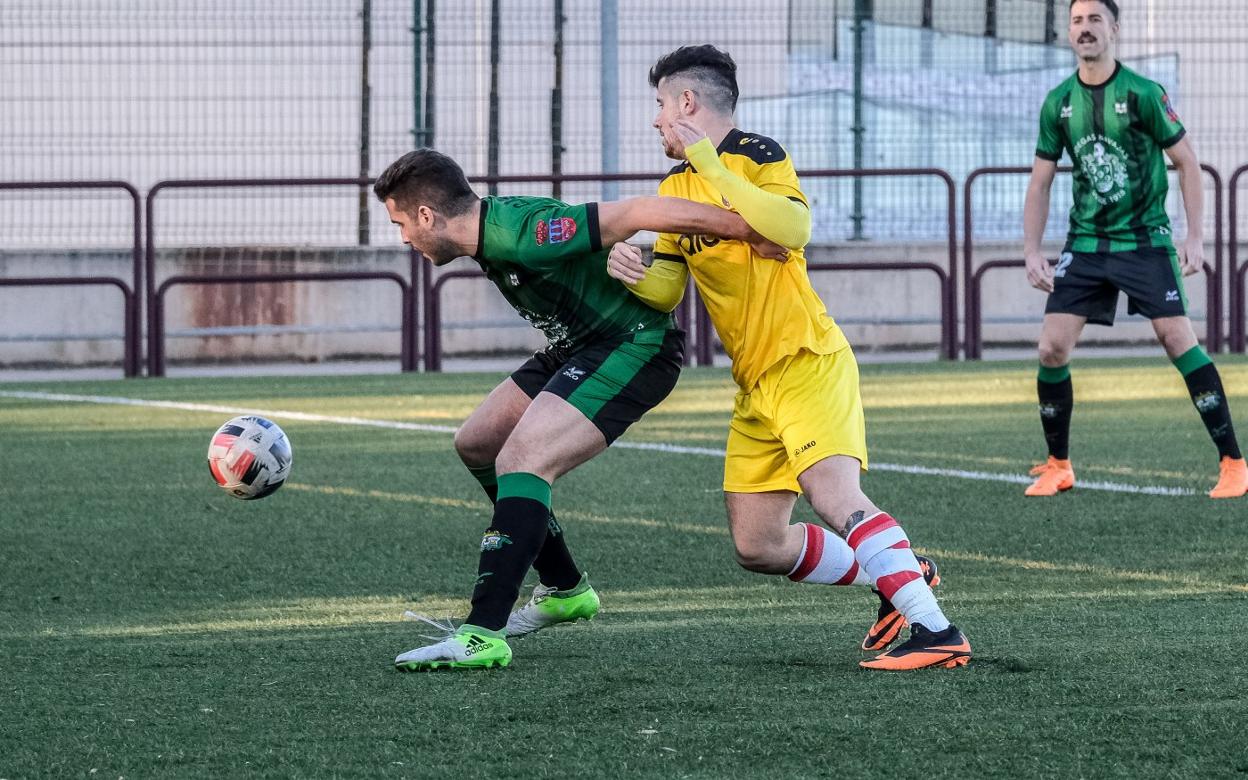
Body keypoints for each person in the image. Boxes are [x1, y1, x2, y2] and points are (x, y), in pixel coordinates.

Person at [607, 45, 969, 670]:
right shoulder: (672, 187)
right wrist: (630, 271)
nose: (656, 119)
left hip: (804, 358)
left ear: (687, 103)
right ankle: (900, 576)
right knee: (757, 543)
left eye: (660, 105)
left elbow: (793, 230)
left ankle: (936, 633)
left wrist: (712, 169)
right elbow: (668, 288)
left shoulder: (758, 154)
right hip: (753, 385)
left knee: (835, 496)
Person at [375, 148, 787, 671]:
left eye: (401, 224)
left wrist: (748, 230)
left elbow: (636, 213)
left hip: (634, 345)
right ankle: (565, 588)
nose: (404, 238)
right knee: (478, 443)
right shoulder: (485, 233)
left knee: (522, 460)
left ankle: (482, 634)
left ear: (428, 216)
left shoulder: (526, 232)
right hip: (576, 346)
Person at [1022, 0, 1247, 499]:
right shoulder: (1058, 102)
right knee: (1050, 347)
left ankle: (1233, 462)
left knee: (1177, 341)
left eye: (1095, 20)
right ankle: (1059, 465)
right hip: (1085, 243)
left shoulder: (1144, 93)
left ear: (1114, 29)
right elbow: (1039, 183)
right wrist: (1032, 250)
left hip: (1145, 242)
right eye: (1077, 21)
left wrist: (1194, 237)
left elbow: (1187, 163)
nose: (1085, 29)